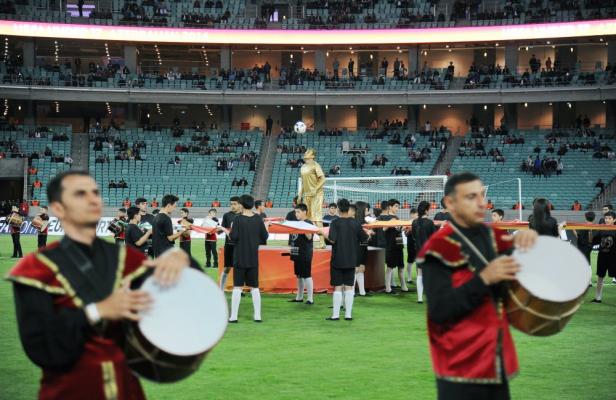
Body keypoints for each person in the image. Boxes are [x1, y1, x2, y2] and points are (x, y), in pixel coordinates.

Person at [7, 170, 192, 400]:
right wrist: (97, 311)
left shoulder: (133, 262)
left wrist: (186, 274)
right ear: (58, 209)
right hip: (70, 392)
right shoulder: (35, 271)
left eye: (95, 193)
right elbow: (40, 349)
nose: (93, 200)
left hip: (128, 390)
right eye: (80, 194)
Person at [418, 172, 538, 400]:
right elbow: (439, 310)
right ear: (450, 203)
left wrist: (528, 244)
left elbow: (519, 284)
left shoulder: (496, 236)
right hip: (459, 367)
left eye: (481, 195)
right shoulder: (437, 248)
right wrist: (483, 279)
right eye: (471, 197)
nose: (482, 203)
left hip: (496, 359)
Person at [324, 198, 369, 321]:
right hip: (351, 260)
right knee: (349, 287)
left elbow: (332, 240)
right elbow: (365, 238)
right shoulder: (355, 223)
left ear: (338, 209)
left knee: (337, 287)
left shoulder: (335, 223)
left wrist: (322, 233)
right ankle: (348, 315)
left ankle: (336, 315)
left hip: (337, 259)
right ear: (348, 209)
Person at [228, 195, 269, 322]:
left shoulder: (237, 219)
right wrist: (266, 226)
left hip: (239, 257)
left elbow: (233, 237)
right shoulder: (258, 219)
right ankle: (257, 316)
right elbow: (264, 237)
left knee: (237, 287)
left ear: (241, 205)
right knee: (254, 287)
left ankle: (233, 316)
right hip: (252, 257)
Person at [412, 201, 438, 303]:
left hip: (419, 251)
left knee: (420, 273)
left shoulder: (414, 222)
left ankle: (419, 298)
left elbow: (414, 236)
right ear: (426, 210)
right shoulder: (430, 223)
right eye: (429, 209)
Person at [299, 148, 326, 248]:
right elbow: (303, 182)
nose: (305, 153)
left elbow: (323, 179)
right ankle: (306, 240)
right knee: (307, 218)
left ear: (312, 156)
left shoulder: (316, 165)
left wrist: (315, 189)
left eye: (308, 152)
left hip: (316, 194)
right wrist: (300, 194)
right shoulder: (302, 167)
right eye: (305, 151)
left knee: (317, 217)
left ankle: (322, 242)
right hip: (306, 195)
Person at [379, 199, 407, 294]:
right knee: (390, 267)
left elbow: (398, 230)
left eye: (398, 207)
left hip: (399, 244)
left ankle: (404, 286)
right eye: (396, 206)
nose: (397, 208)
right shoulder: (386, 217)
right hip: (390, 246)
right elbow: (383, 229)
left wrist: (403, 228)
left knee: (401, 267)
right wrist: (391, 222)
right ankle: (387, 288)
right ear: (390, 207)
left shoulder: (396, 217)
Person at [288, 204, 314, 304]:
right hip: (296, 252)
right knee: (298, 275)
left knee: (307, 275)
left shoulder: (308, 222)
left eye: (298, 212)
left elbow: (309, 237)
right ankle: (299, 297)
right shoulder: (297, 223)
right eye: (295, 212)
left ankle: (310, 298)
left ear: (304, 212)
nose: (296, 214)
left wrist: (303, 226)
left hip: (305, 253)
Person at [591, 211, 616, 303]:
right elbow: (594, 241)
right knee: (600, 277)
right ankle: (598, 298)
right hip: (602, 256)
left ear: (614, 219)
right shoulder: (601, 229)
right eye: (606, 218)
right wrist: (591, 231)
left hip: (613, 257)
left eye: (609, 218)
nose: (607, 220)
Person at [219, 196, 241, 289]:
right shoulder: (227, 215)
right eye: (231, 204)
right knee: (227, 268)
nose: (232, 206)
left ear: (240, 204)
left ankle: (239, 289)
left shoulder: (244, 215)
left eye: (235, 204)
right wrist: (218, 229)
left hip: (240, 246)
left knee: (239, 269)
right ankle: (221, 289)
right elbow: (222, 229)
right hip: (229, 245)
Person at [354, 201, 373, 296]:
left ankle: (362, 292)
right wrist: (368, 234)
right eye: (366, 210)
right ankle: (351, 291)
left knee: (361, 268)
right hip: (357, 247)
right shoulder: (356, 222)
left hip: (364, 246)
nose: (367, 211)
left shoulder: (365, 222)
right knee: (356, 269)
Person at [404, 207, 418, 285]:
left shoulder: (420, 222)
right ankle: (409, 278)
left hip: (418, 244)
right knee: (410, 261)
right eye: (413, 214)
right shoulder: (408, 222)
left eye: (416, 214)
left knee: (418, 262)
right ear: (411, 214)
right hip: (410, 244)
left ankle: (418, 277)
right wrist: (409, 230)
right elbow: (405, 234)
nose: (415, 215)